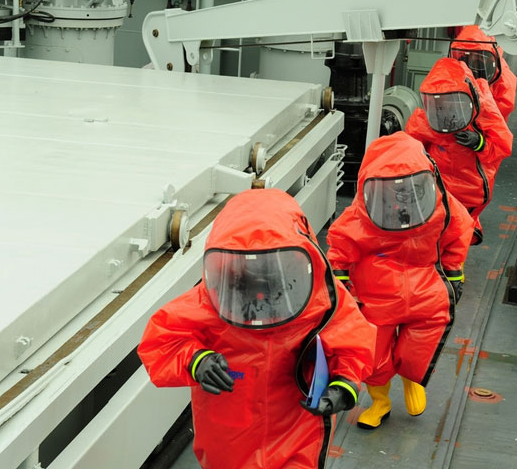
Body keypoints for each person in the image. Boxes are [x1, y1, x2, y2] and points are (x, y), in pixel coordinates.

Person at [138, 189, 375, 469]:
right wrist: (196, 361)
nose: (260, 279)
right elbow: (162, 340)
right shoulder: (210, 300)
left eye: (270, 270)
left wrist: (343, 386)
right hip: (228, 438)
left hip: (297, 430)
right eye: (248, 272)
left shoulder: (322, 299)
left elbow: (352, 344)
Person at [326, 132, 473, 429]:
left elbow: (459, 231)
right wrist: (341, 289)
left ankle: (412, 378)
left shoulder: (439, 206)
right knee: (373, 353)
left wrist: (454, 274)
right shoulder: (361, 214)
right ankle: (381, 402)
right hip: (375, 296)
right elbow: (339, 250)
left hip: (425, 287)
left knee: (423, 340)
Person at [405, 57, 513, 244]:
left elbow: (502, 146)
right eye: (440, 102)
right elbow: (409, 150)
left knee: (457, 228)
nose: (446, 108)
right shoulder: (426, 120)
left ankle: (463, 234)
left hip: (471, 186)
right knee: (443, 230)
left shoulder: (484, 108)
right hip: (439, 186)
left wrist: (478, 142)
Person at [449, 24, 517, 121]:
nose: (474, 58)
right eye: (470, 54)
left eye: (479, 55)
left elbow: (497, 117)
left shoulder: (504, 80)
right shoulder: (460, 64)